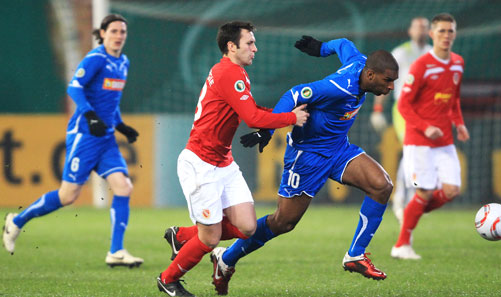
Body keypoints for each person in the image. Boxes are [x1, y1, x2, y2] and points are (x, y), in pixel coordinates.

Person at [165, 35, 399, 295]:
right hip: (307, 155)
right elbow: (295, 93)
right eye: (387, 81)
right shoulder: (337, 86)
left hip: (338, 149)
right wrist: (267, 129)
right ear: (369, 75)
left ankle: (355, 255)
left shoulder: (359, 60)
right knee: (283, 222)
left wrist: (321, 49)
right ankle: (225, 259)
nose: (390, 87)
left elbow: (342, 43)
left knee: (382, 186)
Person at [156, 21, 309, 297]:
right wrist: (290, 118)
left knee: (247, 227)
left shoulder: (234, 72)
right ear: (231, 46)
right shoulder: (229, 73)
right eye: (249, 43)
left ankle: (181, 236)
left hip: (223, 162)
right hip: (200, 163)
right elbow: (252, 118)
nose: (255, 48)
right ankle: (168, 279)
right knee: (210, 238)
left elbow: (249, 109)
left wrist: (276, 116)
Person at [2, 14, 143, 268]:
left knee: (123, 187)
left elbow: (109, 100)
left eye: (123, 32)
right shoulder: (95, 59)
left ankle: (116, 251)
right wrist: (89, 116)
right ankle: (16, 221)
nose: (119, 36)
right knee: (68, 196)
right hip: (85, 135)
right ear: (102, 34)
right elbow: (74, 87)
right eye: (114, 31)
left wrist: (121, 126)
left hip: (107, 137)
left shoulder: (123, 62)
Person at [391, 13, 470, 260]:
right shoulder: (421, 65)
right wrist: (425, 127)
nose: (446, 36)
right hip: (418, 141)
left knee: (452, 190)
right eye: (441, 31)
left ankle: (413, 210)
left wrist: (459, 124)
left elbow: (453, 97)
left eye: (450, 31)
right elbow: (403, 105)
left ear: (455, 35)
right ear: (432, 34)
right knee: (424, 192)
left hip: (444, 140)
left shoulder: (458, 62)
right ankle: (401, 245)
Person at [370, 17, 431, 224]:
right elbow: (383, 80)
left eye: (425, 27)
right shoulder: (401, 52)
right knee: (412, 150)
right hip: (404, 109)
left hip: (427, 111)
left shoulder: (432, 54)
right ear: (410, 30)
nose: (421, 31)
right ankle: (400, 199)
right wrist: (378, 109)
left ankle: (409, 199)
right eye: (418, 27)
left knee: (421, 155)